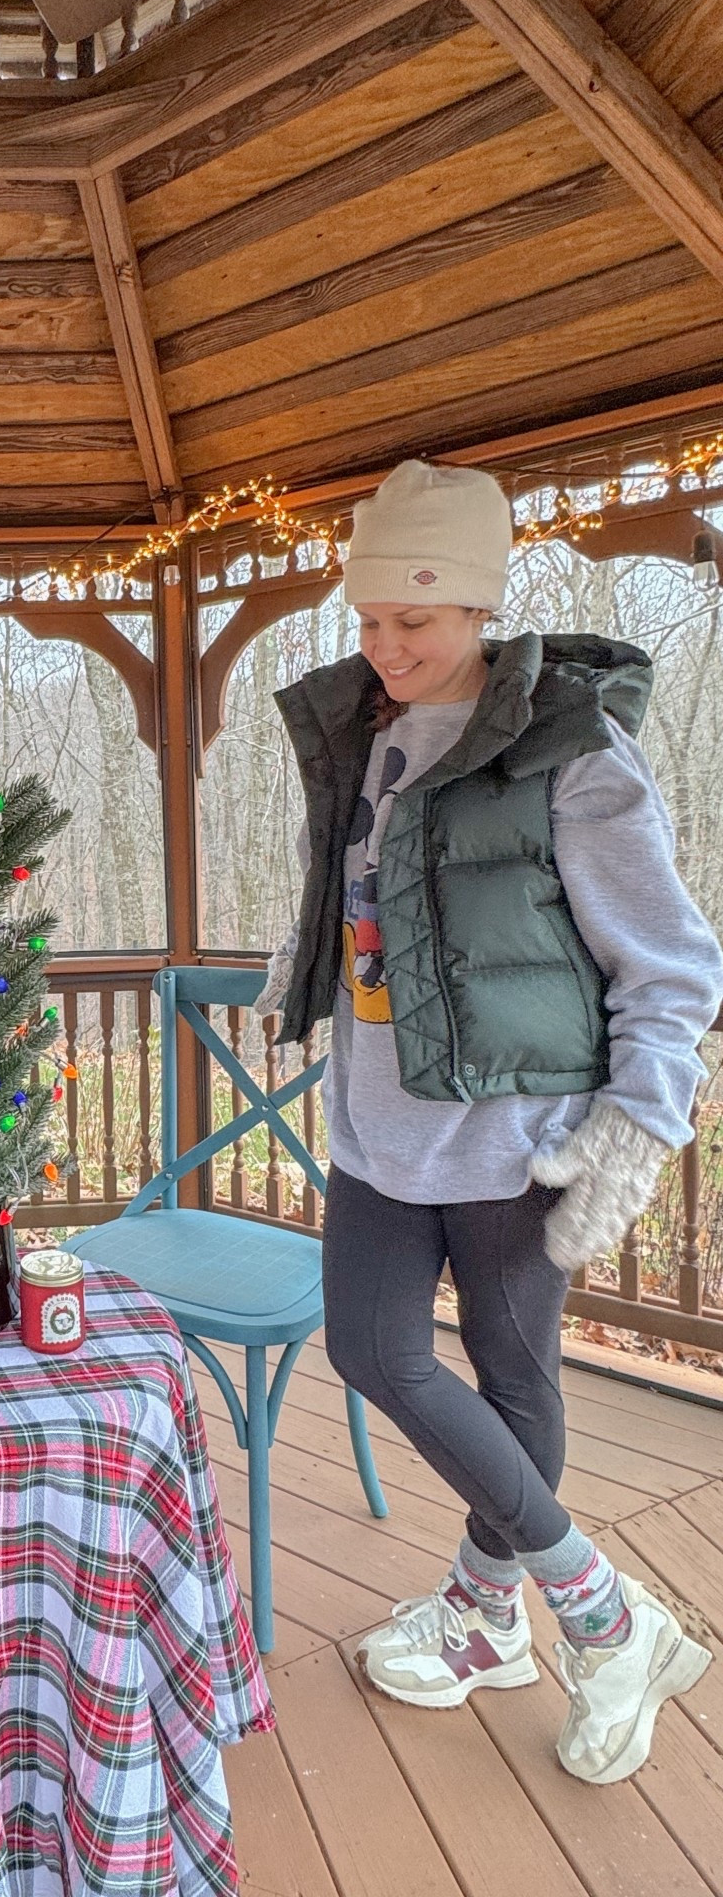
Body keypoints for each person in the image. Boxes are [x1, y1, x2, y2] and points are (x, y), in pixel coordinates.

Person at [256, 457, 720, 1786]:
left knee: (517, 1385)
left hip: (525, 1144)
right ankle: (602, 1613)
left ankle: (489, 1617)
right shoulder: (362, 728)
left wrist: (636, 1131)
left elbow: (674, 964)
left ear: (480, 606)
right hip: (378, 1137)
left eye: (418, 616)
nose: (387, 644)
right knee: (375, 1349)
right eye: (370, 618)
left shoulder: (574, 750)